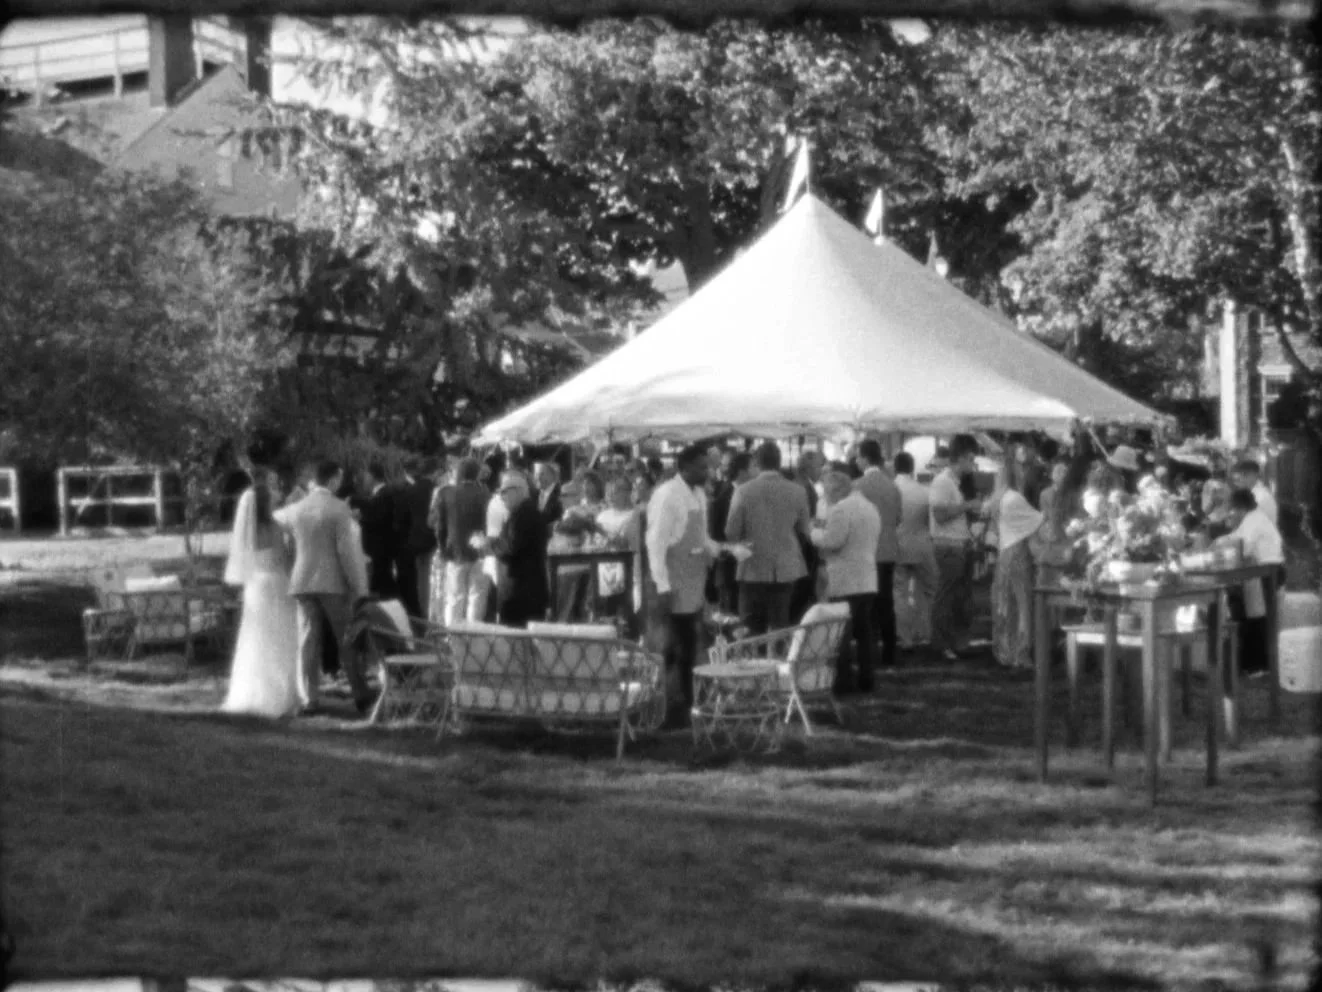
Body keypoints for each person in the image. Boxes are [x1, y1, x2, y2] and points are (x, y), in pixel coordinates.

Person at [276, 460, 374, 715]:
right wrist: (359, 587)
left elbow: (286, 543)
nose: (340, 483)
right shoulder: (339, 508)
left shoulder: (295, 509)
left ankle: (310, 698)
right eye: (339, 478)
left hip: (302, 580)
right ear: (332, 480)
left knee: (308, 641)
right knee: (346, 638)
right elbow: (347, 553)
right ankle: (360, 693)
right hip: (332, 583)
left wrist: (291, 571)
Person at [647, 443, 724, 726]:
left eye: (708, 466)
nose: (707, 472)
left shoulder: (700, 495)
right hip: (670, 582)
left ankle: (689, 705)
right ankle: (668, 709)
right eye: (702, 467)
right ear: (684, 467)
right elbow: (655, 544)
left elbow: (701, 538)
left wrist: (724, 549)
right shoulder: (667, 496)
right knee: (671, 648)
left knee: (690, 646)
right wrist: (662, 586)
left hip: (693, 581)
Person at [220, 467, 303, 718]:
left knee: (255, 639)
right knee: (283, 639)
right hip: (277, 584)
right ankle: (285, 695)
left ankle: (253, 691)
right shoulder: (277, 528)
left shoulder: (249, 532)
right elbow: (286, 560)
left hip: (255, 587)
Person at [725, 441, 811, 636]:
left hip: (752, 568)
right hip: (786, 568)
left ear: (756, 462)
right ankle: (777, 663)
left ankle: (756, 664)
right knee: (780, 625)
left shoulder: (743, 491)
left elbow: (731, 532)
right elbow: (805, 530)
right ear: (779, 462)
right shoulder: (798, 491)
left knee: (750, 628)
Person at [811, 469, 881, 694]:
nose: (827, 497)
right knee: (865, 632)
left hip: (845, 578)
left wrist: (812, 533)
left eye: (828, 491)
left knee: (842, 634)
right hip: (867, 577)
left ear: (838, 489)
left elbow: (833, 541)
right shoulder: (870, 507)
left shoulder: (842, 509)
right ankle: (866, 678)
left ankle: (843, 681)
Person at [1218, 489, 1285, 677]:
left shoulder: (1254, 521)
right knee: (1251, 613)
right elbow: (1234, 540)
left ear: (1240, 508)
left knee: (1257, 616)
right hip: (1259, 572)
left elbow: (1241, 548)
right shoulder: (1251, 519)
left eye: (1231, 509)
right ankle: (1251, 663)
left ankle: (1257, 665)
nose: (1230, 513)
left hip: (1268, 572)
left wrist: (1220, 545)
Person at [930, 434, 984, 661]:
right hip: (948, 546)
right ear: (960, 457)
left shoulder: (952, 482)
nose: (973, 464)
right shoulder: (943, 481)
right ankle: (942, 644)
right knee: (947, 596)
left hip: (958, 544)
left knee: (959, 596)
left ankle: (955, 642)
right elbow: (940, 515)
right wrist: (967, 506)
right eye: (971, 459)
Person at [989, 455, 1045, 669]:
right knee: (1023, 605)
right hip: (1018, 551)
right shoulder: (1014, 498)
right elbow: (1038, 521)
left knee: (1007, 603)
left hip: (1005, 551)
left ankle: (1006, 650)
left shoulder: (999, 498)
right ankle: (1022, 653)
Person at [852, 439, 901, 666]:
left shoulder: (858, 486)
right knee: (887, 605)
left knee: (867, 608)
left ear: (864, 458)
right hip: (889, 551)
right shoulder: (892, 486)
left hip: (866, 553)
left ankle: (869, 656)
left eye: (857, 457)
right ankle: (890, 654)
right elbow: (898, 518)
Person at [481, 472, 549, 628]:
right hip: (523, 589)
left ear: (518, 491)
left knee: (517, 639)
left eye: (505, 492)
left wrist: (490, 547)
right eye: (500, 493)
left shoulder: (524, 515)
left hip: (521, 592)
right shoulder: (521, 513)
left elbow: (512, 547)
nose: (502, 497)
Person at [433, 456, 492, 627]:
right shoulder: (486, 494)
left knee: (454, 597)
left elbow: (440, 526)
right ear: (477, 474)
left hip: (454, 551)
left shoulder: (447, 493)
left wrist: (442, 548)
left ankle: (452, 636)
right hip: (480, 551)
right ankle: (473, 636)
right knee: (477, 597)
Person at [893, 451, 937, 651]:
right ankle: (924, 632)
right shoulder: (923, 491)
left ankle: (905, 636)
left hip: (897, 546)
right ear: (912, 468)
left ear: (895, 467)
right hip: (922, 545)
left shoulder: (891, 489)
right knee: (927, 590)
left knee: (899, 593)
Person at [395, 456, 439, 621]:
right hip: (435, 540)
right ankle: (435, 616)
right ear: (435, 473)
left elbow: (401, 519)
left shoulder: (410, 491)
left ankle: (423, 616)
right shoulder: (438, 489)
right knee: (437, 582)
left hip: (416, 541)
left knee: (422, 581)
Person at [709, 451, 751, 614]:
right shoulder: (722, 498)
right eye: (753, 466)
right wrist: (736, 548)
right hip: (729, 572)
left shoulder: (748, 494)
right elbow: (715, 539)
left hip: (747, 573)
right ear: (742, 472)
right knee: (730, 622)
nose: (757, 471)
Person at [791, 450, 825, 622]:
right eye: (819, 466)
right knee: (802, 594)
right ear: (809, 468)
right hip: (804, 547)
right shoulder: (803, 487)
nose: (821, 470)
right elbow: (803, 520)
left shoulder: (804, 485)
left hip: (804, 546)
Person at [359, 462, 398, 600]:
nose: (364, 479)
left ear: (372, 476)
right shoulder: (384, 494)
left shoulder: (384, 495)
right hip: (381, 551)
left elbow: (378, 521)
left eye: (366, 476)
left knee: (381, 586)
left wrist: (360, 518)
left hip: (380, 550)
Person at [1230, 458, 1278, 528]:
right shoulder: (1250, 493)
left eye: (1238, 479)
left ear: (1253, 476)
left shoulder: (1260, 497)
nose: (1236, 484)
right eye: (1235, 480)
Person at [534, 461, 565, 538]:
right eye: (537, 474)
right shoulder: (533, 494)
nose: (538, 477)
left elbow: (561, 520)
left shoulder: (561, 494)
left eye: (542, 474)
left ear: (553, 476)